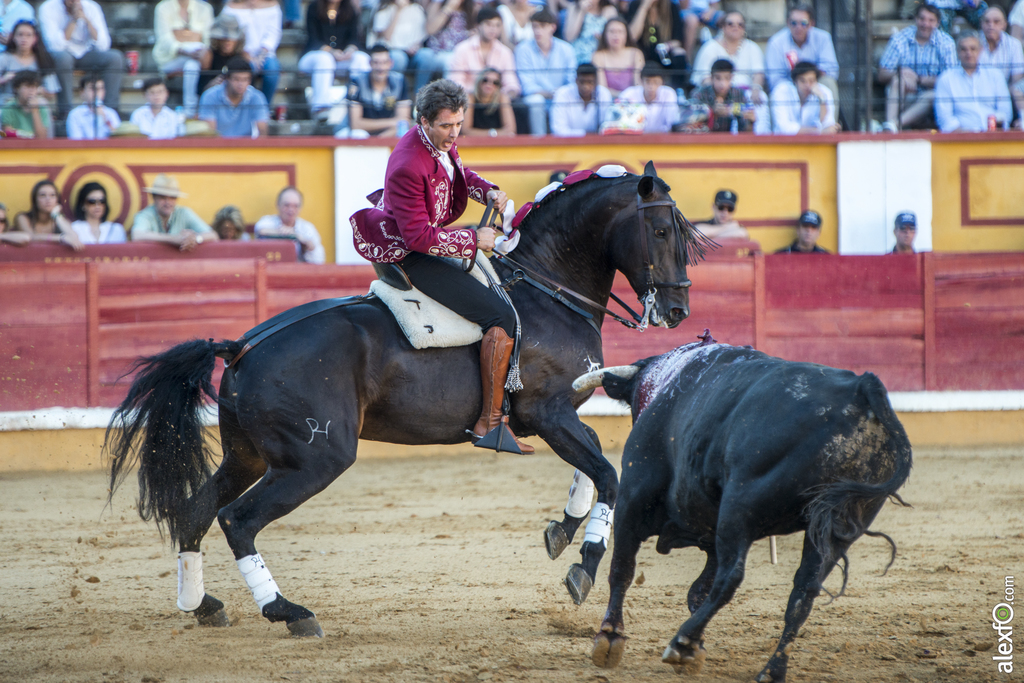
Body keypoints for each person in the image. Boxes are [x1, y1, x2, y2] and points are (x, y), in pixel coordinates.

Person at [349, 78, 533, 453]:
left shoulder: (438, 142)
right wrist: (471, 240)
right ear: (424, 121)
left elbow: (459, 175)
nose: (454, 133)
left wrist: (487, 190)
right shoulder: (406, 164)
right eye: (447, 126)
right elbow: (417, 238)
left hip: (430, 239)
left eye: (459, 124)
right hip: (411, 254)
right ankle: (490, 423)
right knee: (501, 316)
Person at [878, 4, 958, 132]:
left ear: (937, 23)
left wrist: (919, 79)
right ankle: (890, 127)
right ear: (915, 19)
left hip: (932, 98)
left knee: (931, 96)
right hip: (906, 96)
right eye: (922, 19)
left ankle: (893, 125)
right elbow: (882, 74)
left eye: (931, 20)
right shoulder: (900, 39)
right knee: (898, 82)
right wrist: (901, 74)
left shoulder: (946, 43)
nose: (925, 24)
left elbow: (951, 81)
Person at [38, 0, 124, 116]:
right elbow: (55, 46)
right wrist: (73, 20)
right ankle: (65, 111)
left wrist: (86, 19)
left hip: (86, 53)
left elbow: (104, 45)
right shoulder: (48, 7)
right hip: (61, 55)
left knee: (115, 57)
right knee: (63, 58)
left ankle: (110, 111)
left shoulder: (92, 7)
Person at [297, 0, 369, 117]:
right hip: (314, 57)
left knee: (362, 58)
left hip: (341, 58)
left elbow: (354, 39)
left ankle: (360, 105)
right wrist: (331, 51)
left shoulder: (350, 9)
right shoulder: (314, 7)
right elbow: (313, 39)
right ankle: (321, 108)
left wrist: (349, 50)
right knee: (325, 59)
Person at [935, 30, 1012, 132]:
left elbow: (1006, 112)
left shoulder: (995, 75)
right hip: (960, 140)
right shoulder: (945, 79)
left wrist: (991, 130)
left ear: (981, 50)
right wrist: (968, 136)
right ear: (957, 52)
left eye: (973, 49)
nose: (969, 53)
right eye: (964, 49)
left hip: (994, 137)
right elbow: (945, 119)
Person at [516, 9, 576, 136]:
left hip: (562, 96)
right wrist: (550, 94)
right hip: (536, 97)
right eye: (535, 27)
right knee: (536, 101)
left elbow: (571, 81)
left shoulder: (567, 49)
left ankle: (567, 142)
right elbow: (527, 86)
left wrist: (559, 94)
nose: (538, 31)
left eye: (542, 26)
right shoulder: (522, 50)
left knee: (567, 99)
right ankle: (539, 142)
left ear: (553, 27)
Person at [152, 0, 213, 116]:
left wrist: (180, 36)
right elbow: (164, 39)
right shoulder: (163, 7)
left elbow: (208, 41)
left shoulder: (205, 8)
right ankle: (191, 109)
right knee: (193, 64)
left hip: (197, 58)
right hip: (169, 60)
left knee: (192, 65)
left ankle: (189, 111)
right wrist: (186, 48)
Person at [131, 173, 218, 250]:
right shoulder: (145, 215)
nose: (168, 202)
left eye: (172, 198)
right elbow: (137, 236)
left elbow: (213, 235)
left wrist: (195, 239)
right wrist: (173, 239)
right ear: (154, 198)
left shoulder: (184, 212)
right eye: (162, 197)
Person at [448, 6, 520, 97]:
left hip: (496, 101)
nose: (493, 29)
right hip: (467, 99)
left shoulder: (505, 52)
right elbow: (456, 80)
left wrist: (506, 94)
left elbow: (511, 82)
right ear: (478, 25)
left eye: (497, 25)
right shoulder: (462, 49)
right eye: (488, 24)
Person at [764, 4, 838, 94]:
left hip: (815, 85)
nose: (798, 28)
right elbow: (775, 79)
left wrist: (808, 79)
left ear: (811, 24)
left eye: (803, 23)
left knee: (828, 82)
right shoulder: (776, 42)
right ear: (788, 23)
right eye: (794, 23)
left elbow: (832, 70)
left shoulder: (823, 38)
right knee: (781, 89)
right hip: (790, 87)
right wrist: (798, 83)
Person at [220, 0, 282, 105]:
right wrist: (245, 52)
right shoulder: (230, 8)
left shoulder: (273, 6)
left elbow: (274, 33)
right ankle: (244, 107)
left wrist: (262, 54)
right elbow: (229, 33)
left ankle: (264, 109)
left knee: (272, 69)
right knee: (247, 69)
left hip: (265, 53)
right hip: (239, 53)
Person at [689, 10, 764, 96]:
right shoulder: (710, 47)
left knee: (761, 98)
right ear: (722, 27)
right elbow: (704, 78)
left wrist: (756, 89)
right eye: (730, 24)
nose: (735, 27)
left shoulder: (752, 47)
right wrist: (718, 95)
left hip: (746, 94)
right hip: (717, 94)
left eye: (740, 24)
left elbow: (758, 73)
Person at [411, 0, 477, 93]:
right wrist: (448, 8)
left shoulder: (471, 8)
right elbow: (430, 29)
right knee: (449, 60)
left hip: (461, 54)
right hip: (437, 53)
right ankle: (421, 96)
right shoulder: (437, 4)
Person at [347, 44, 412, 137]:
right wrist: (392, 122)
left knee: (403, 132)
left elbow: (404, 122)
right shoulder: (357, 81)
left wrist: (379, 139)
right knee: (358, 134)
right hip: (363, 133)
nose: (380, 68)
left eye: (384, 63)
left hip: (387, 133)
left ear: (391, 63)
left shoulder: (400, 81)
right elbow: (355, 124)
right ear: (370, 63)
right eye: (376, 63)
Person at [197, 56, 269, 137]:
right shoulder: (210, 96)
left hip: (247, 147)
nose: (240, 84)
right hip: (218, 147)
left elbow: (262, 132)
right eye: (236, 79)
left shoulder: (257, 97)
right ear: (227, 78)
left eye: (245, 79)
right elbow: (210, 133)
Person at [254, 187, 325, 264]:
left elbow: (319, 260)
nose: (291, 210)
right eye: (287, 205)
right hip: (272, 270)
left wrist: (303, 241)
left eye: (295, 206)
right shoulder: (268, 221)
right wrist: (286, 234)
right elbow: (260, 230)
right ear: (278, 205)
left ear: (300, 208)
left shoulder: (307, 228)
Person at [624, 0, 687, 87]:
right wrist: (644, 7)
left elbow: (678, 40)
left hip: (663, 54)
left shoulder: (671, 7)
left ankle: (678, 89)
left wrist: (667, 46)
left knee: (679, 53)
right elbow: (632, 37)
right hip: (642, 53)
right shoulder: (635, 5)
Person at [10, 179, 83, 250]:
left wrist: (56, 215)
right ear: (35, 199)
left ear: (57, 200)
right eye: (43, 195)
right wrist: (61, 238)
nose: (48, 199)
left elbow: (74, 237)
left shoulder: (60, 219)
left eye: (52, 195)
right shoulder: (23, 217)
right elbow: (30, 237)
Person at [770, 60, 839, 135]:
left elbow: (828, 126)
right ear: (795, 81)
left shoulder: (824, 92)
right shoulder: (781, 91)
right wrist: (818, 131)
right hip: (784, 143)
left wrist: (822, 100)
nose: (807, 85)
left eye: (811, 81)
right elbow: (784, 128)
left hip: (814, 143)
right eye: (803, 81)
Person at [0, 19, 60, 102]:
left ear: (35, 38)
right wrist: (3, 79)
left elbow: (52, 92)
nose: (24, 39)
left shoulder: (42, 60)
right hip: (8, 102)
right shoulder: (4, 58)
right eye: (20, 35)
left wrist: (35, 90)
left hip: (34, 103)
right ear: (13, 37)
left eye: (28, 35)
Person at [691, 59, 755, 132]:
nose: (722, 83)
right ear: (711, 78)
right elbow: (691, 123)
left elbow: (745, 134)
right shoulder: (700, 94)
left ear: (731, 78)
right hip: (705, 140)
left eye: (727, 78)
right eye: (718, 78)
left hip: (731, 141)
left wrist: (750, 122)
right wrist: (712, 113)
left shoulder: (739, 94)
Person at [550, 61, 612, 136]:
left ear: (596, 82)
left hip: (598, 145)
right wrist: (586, 135)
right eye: (582, 82)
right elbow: (558, 130)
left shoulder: (604, 94)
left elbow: (607, 127)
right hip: (569, 144)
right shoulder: (562, 94)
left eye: (590, 82)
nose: (585, 86)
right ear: (576, 80)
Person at [367, 0, 427, 73]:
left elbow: (421, 36)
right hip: (392, 51)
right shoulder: (383, 9)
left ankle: (422, 85)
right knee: (399, 58)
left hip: (413, 54)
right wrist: (398, 11)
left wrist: (416, 46)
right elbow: (387, 37)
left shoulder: (417, 9)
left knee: (427, 55)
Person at [591, 17, 644, 97]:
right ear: (605, 34)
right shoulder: (598, 56)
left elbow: (638, 85)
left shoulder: (636, 54)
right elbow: (602, 89)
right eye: (612, 31)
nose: (616, 35)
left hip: (633, 101)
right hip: (608, 101)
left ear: (626, 35)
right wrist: (622, 97)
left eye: (620, 32)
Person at [619, 63, 679, 133]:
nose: (651, 87)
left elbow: (672, 124)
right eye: (648, 82)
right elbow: (621, 125)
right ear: (641, 81)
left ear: (662, 82)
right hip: (634, 140)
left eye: (656, 82)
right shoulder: (629, 94)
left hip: (662, 140)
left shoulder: (669, 94)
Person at [198, 13, 246, 93]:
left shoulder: (243, 56)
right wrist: (212, 85)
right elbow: (200, 90)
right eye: (223, 37)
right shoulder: (209, 55)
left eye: (232, 37)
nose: (228, 40)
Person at [979, 7, 1024, 87]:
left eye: (996, 22)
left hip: (1005, 93)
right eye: (987, 21)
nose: (991, 26)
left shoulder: (1014, 45)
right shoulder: (973, 43)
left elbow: (1017, 79)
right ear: (982, 24)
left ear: (1004, 25)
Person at [563, 0, 618, 65]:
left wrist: (602, 37)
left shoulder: (609, 10)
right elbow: (569, 37)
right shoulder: (574, 7)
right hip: (578, 55)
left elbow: (615, 34)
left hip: (601, 54)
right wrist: (581, 11)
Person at [464, 67, 516, 135]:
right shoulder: (470, 98)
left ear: (499, 86)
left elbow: (510, 131)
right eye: (485, 80)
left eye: (495, 82)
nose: (489, 84)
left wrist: (488, 134)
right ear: (479, 81)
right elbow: (466, 131)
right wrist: (493, 134)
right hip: (473, 143)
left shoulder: (502, 98)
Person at [65, 74, 119, 139]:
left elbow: (119, 138)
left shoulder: (111, 113)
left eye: (100, 89)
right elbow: (76, 142)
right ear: (82, 92)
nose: (97, 92)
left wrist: (106, 120)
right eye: (92, 88)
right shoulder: (75, 115)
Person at [1, 70, 53, 137]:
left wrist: (35, 110)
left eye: (35, 87)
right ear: (16, 88)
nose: (31, 90)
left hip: (36, 147)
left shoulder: (42, 107)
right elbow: (7, 135)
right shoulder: (8, 107)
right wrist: (29, 136)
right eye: (27, 86)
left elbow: (42, 138)